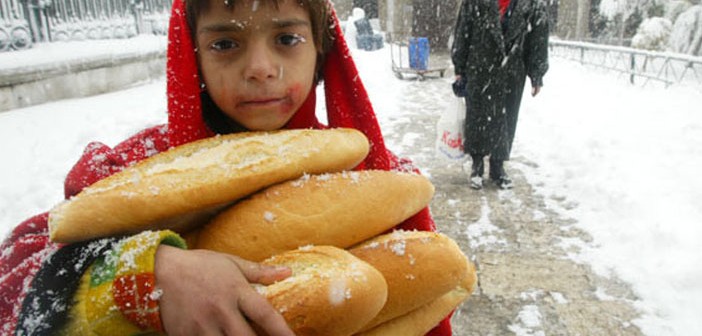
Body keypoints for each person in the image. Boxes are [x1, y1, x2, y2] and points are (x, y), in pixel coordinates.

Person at [0, 0, 454, 335]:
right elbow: (14, 270)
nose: (259, 68)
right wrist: (147, 270)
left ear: (322, 52)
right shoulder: (137, 170)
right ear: (190, 55)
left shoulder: (380, 180)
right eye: (224, 43)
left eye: (286, 38)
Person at [451, 0, 549, 190]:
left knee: (506, 117)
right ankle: (477, 166)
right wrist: (459, 66)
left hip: (512, 70)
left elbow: (538, 38)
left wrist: (536, 74)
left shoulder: (532, 4)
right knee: (477, 116)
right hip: (479, 66)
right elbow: (463, 29)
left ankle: (497, 166)